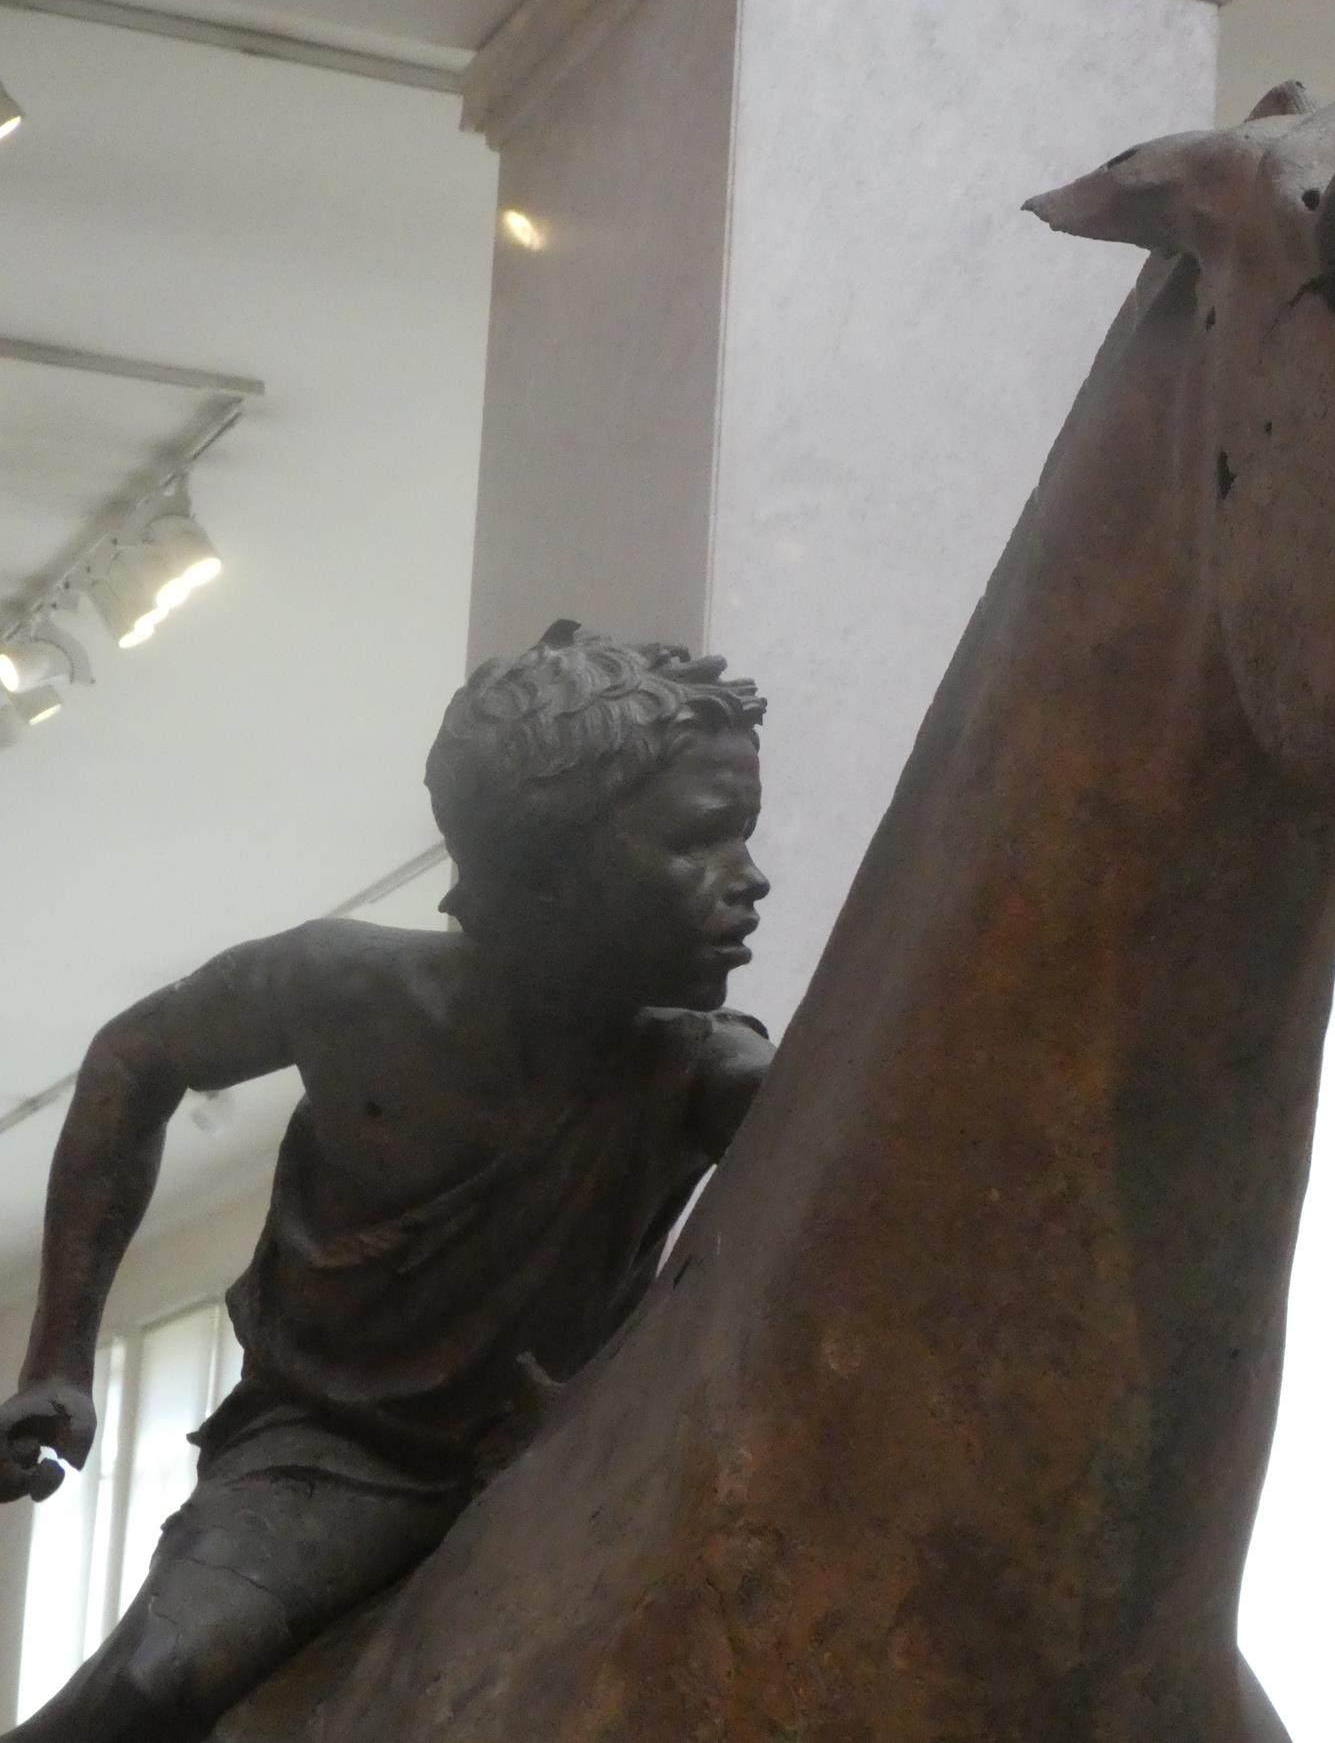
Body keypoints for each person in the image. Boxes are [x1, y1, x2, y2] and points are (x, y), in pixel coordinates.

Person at [0, 622, 776, 1742]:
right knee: (150, 1685)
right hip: (332, 1461)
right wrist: (58, 1362)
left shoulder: (710, 1074)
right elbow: (134, 1059)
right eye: (701, 839)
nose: (750, 880)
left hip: (570, 1450)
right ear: (549, 861)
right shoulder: (344, 990)